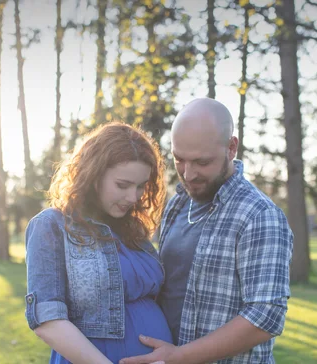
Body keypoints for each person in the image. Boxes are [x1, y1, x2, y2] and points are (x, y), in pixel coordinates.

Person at [121, 98, 294, 364]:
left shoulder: (259, 215)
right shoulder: (178, 203)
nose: (188, 174)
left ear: (231, 148)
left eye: (202, 162)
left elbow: (265, 316)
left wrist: (180, 356)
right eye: (180, 160)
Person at [24, 122, 172, 364]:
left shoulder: (133, 230)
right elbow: (47, 320)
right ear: (93, 175)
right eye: (122, 185)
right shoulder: (52, 225)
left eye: (141, 186)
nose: (133, 197)